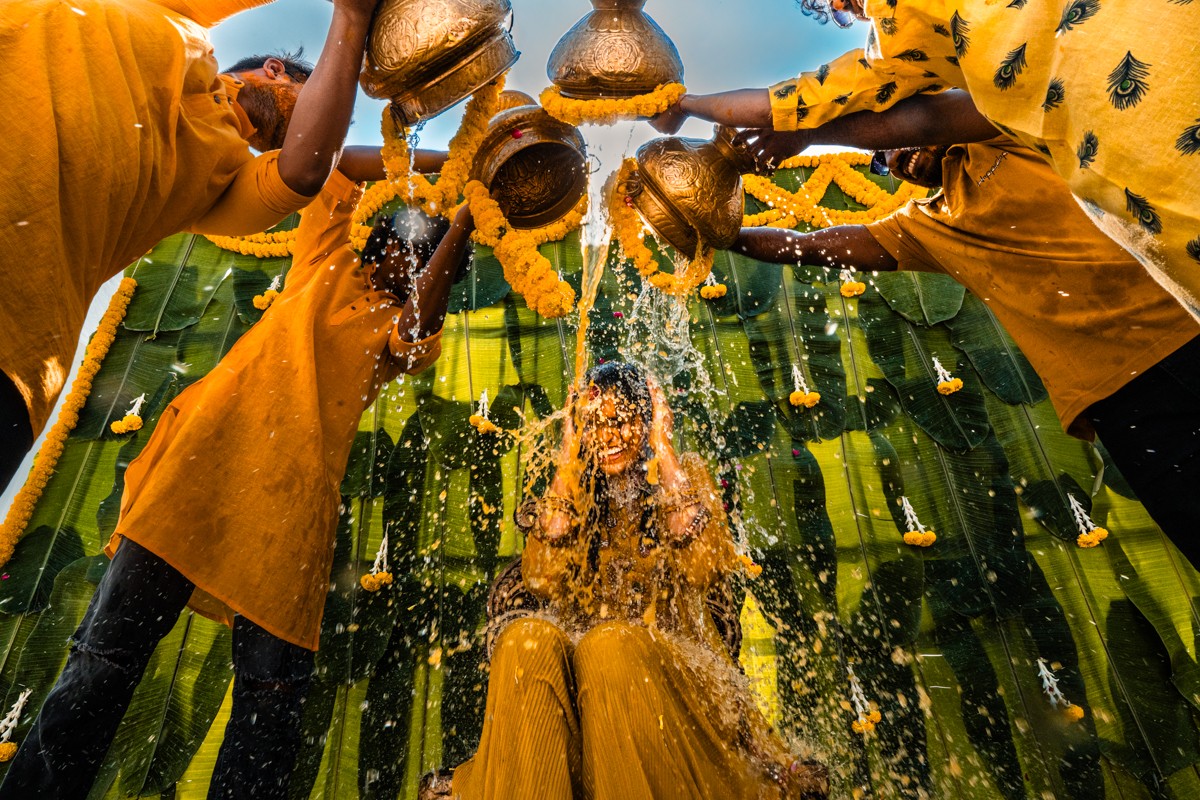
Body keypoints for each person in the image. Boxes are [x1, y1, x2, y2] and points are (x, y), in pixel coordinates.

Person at [0, 147, 472, 799]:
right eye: (408, 244)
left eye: (428, 258)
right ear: (382, 239)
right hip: (198, 470)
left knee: (269, 705)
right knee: (102, 660)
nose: (411, 260)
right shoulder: (326, 256)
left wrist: (465, 215)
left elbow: (422, 319)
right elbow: (335, 164)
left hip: (289, 511)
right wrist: (445, 161)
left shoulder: (404, 332)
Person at [732, 91, 1200, 566]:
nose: (891, 160)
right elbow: (810, 245)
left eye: (887, 142)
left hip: (1188, 330)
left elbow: (933, 118)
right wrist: (726, 235)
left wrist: (806, 130)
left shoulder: (1004, 132)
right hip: (1118, 398)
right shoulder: (927, 227)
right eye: (880, 161)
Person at [0, 0, 381, 491]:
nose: (323, 116)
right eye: (316, 94)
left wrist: (352, 17)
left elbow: (308, 171)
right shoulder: (178, 18)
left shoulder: (227, 188)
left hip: (16, 344)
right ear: (273, 69)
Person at [651, 0, 1200, 322]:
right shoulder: (946, 177)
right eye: (881, 163)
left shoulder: (902, 36)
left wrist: (683, 105)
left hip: (1146, 146)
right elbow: (914, 124)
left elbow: (796, 104)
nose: (891, 161)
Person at [442, 362, 830, 800]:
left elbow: (704, 568)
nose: (608, 436)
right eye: (594, 424)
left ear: (646, 421)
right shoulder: (574, 490)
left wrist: (664, 451)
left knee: (609, 646)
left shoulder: (683, 475)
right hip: (586, 701)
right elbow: (540, 577)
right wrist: (567, 459)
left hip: (673, 690)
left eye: (622, 421)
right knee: (525, 640)